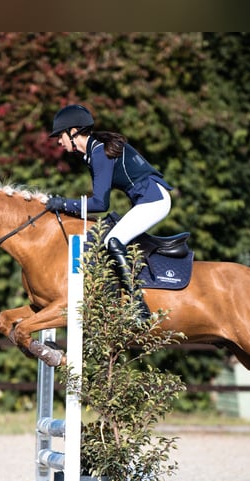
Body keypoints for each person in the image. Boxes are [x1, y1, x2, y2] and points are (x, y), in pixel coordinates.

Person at [46, 104, 173, 320]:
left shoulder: (99, 153)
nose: (59, 141)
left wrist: (64, 204)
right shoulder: (94, 151)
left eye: (61, 135)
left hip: (154, 200)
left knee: (112, 240)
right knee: (108, 236)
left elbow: (100, 204)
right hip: (146, 199)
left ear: (74, 131)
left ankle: (137, 305)